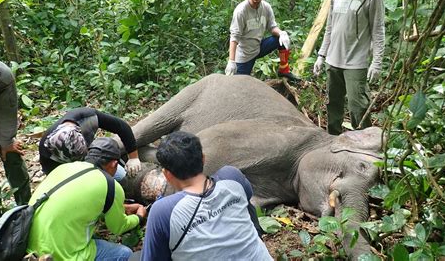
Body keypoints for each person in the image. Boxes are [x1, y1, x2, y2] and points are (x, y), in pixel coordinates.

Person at [141, 131, 272, 261]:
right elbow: (248, 199)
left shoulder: (163, 211)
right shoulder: (232, 176)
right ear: (203, 158)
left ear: (167, 175)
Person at [27, 137, 147, 260]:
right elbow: (118, 227)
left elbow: (77, 203)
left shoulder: (65, 167)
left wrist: (122, 207)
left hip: (29, 244)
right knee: (124, 253)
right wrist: (138, 217)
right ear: (114, 164)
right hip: (58, 255)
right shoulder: (110, 185)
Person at [313, 0, 385, 135]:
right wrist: (321, 55)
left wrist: (377, 63)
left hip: (356, 61)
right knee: (333, 105)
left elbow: (378, 29)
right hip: (333, 60)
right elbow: (330, 28)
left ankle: (363, 146)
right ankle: (333, 141)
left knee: (358, 107)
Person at [225, 0, 300, 81]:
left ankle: (284, 70)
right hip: (244, 54)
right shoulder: (241, 11)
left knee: (279, 39)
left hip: (258, 47)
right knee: (239, 84)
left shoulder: (266, 7)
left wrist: (282, 33)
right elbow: (234, 37)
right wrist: (231, 61)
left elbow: (272, 27)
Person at [39, 107, 141, 177]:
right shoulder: (46, 152)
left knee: (121, 176)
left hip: (91, 157)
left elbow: (122, 127)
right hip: (69, 171)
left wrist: (133, 157)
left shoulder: (86, 117)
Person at [0, 57, 31, 217]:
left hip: (1, 87)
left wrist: (6, 140)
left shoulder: (1, 76)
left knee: (8, 148)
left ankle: (26, 207)